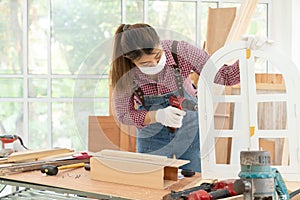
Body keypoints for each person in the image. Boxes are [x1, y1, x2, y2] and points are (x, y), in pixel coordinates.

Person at [111, 23, 268, 173]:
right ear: (130, 60)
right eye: (146, 63)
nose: (155, 64)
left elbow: (224, 76)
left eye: (158, 56)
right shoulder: (124, 72)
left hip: (189, 128)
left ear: (159, 41)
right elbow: (123, 114)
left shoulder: (181, 51)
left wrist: (249, 56)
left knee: (194, 180)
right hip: (151, 133)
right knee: (151, 182)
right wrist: (157, 115)